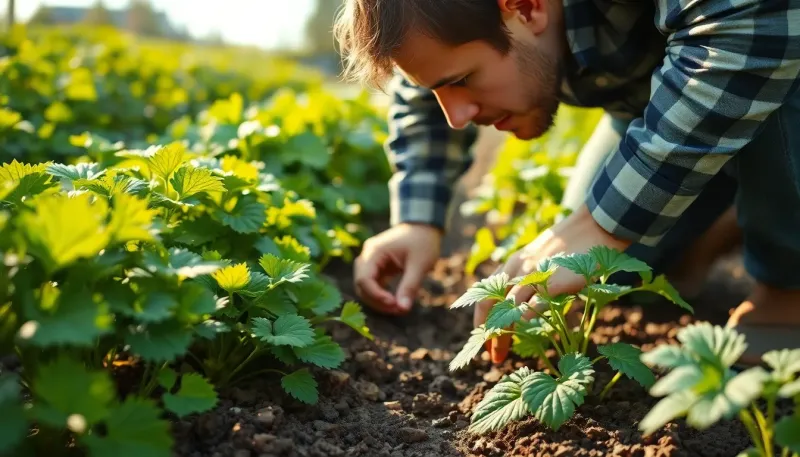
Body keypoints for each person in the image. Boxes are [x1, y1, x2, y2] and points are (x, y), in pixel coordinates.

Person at [333, 0, 800, 366]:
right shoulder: (461, 18)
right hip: (656, 108)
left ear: (525, 6)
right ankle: (726, 215)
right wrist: (417, 220)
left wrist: (603, 224)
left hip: (779, 58)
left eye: (463, 80)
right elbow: (425, 73)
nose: (455, 118)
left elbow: (750, 26)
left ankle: (787, 293)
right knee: (600, 274)